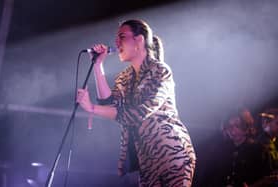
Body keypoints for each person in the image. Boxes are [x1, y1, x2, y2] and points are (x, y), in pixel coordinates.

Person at [76, 19, 196, 187]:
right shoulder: (124, 77)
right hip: (146, 161)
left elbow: (138, 113)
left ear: (139, 40)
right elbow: (111, 106)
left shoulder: (160, 71)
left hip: (171, 153)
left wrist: (92, 108)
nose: (117, 42)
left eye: (122, 36)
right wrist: (97, 65)